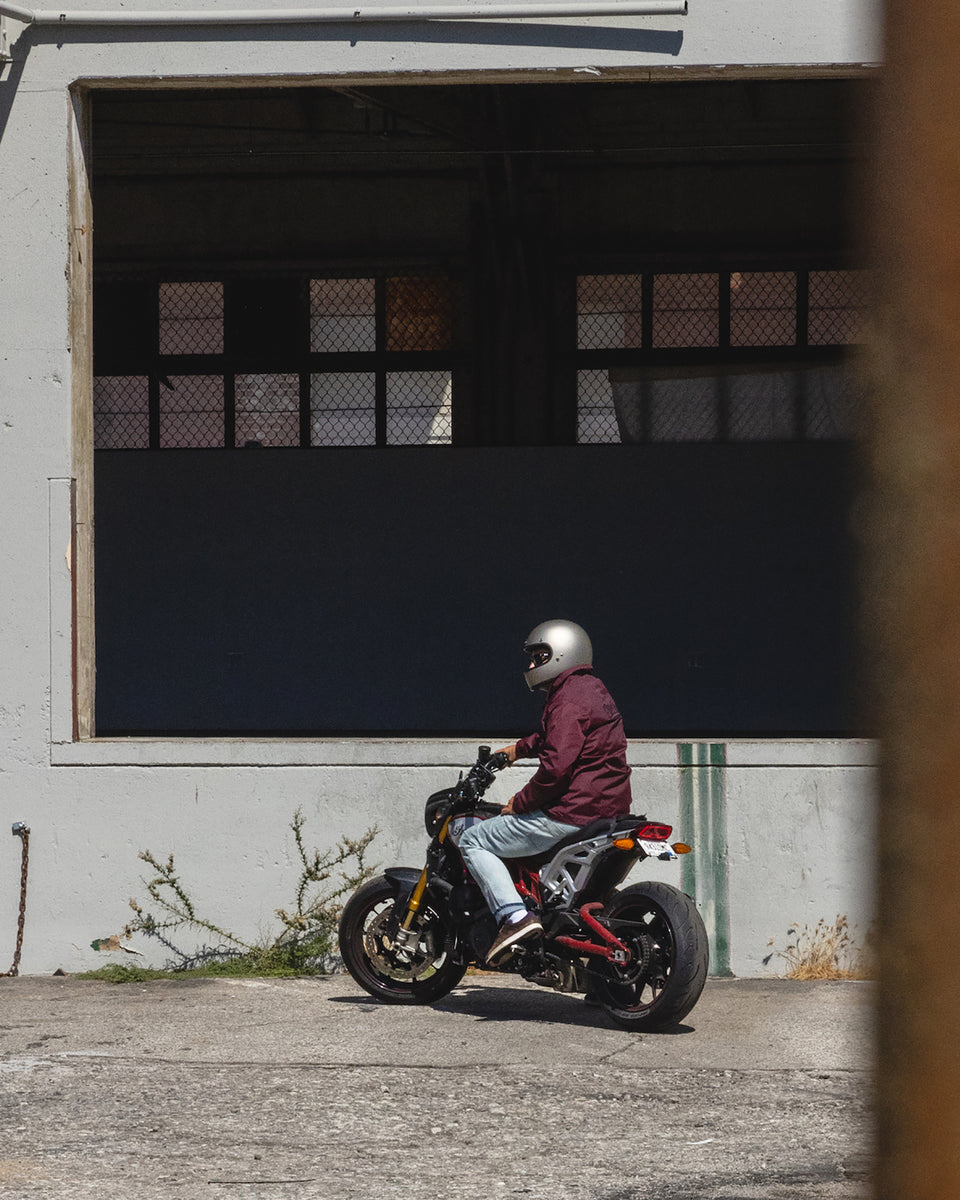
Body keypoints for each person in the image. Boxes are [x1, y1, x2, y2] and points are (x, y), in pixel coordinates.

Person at [458, 619, 633, 965]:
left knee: (473, 840)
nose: (531, 665)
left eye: (539, 656)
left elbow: (555, 769)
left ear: (563, 654)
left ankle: (515, 918)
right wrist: (517, 750)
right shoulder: (592, 690)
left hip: (572, 812)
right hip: (610, 811)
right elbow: (559, 736)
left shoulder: (567, 699)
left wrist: (520, 803)